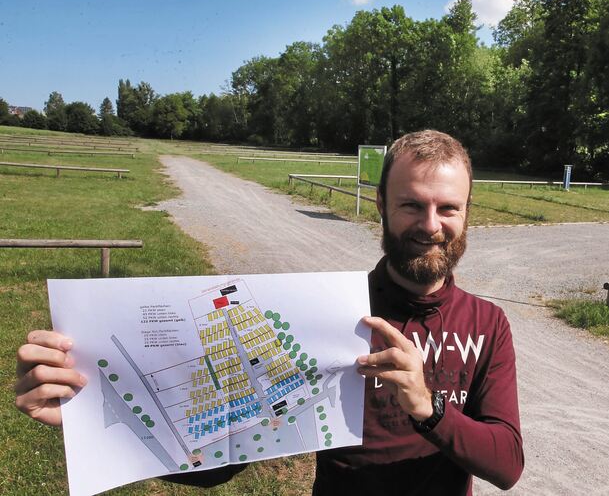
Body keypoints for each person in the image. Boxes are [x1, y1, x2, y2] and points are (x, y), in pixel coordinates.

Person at [15, 130, 523, 495]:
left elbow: (506, 465)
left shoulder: (488, 324)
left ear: (468, 211)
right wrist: (92, 419)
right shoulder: (330, 313)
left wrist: (427, 407)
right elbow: (225, 457)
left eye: (448, 208)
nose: (430, 224)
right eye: (411, 205)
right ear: (381, 207)